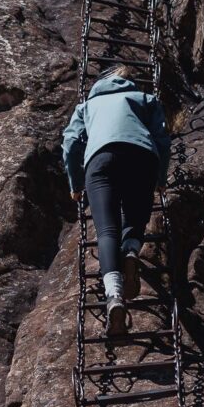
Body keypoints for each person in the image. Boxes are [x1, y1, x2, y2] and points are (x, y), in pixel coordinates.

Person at [61, 65, 171, 336]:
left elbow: (72, 143)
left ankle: (114, 297)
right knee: (135, 215)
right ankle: (131, 251)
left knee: (107, 230)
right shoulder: (144, 99)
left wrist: (76, 184)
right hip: (142, 155)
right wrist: (160, 177)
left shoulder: (87, 106)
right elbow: (162, 138)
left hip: (101, 159)